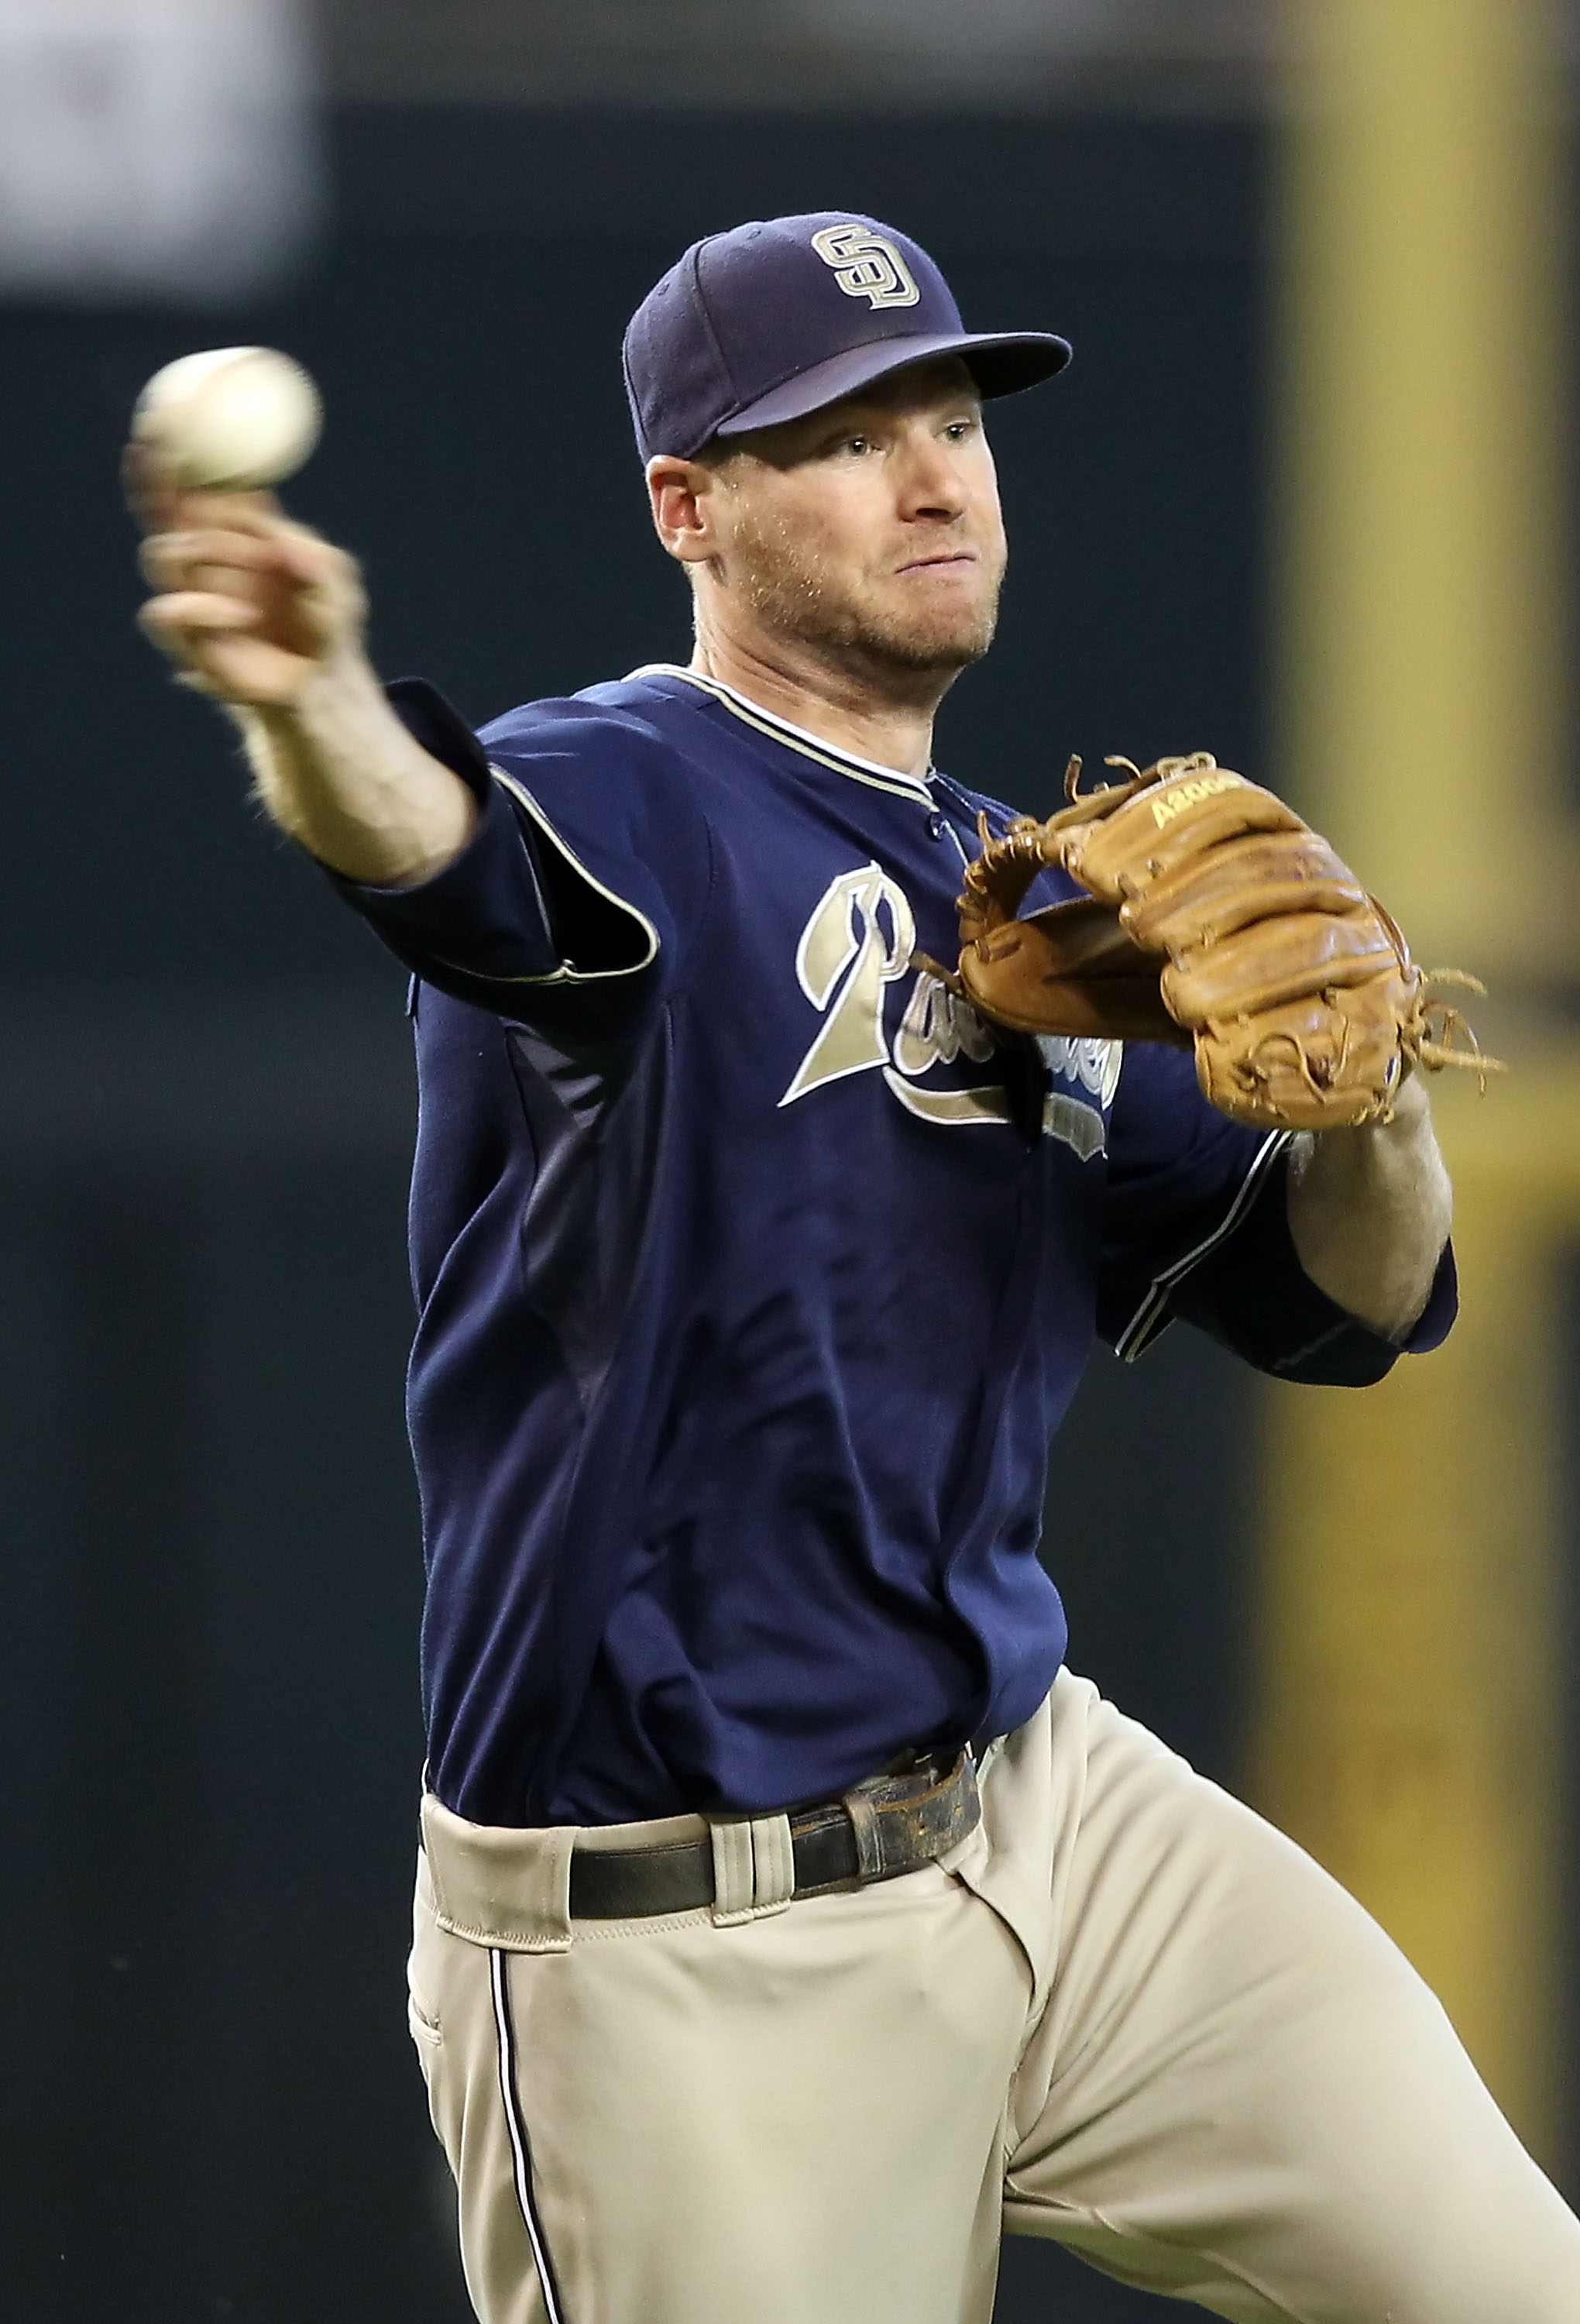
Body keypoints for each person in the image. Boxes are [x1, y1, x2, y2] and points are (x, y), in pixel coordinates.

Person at [133, 214, 1580, 2324]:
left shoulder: (1045, 902)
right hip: (687, 1941)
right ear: (690, 508)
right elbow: (434, 856)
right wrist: (315, 696)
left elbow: (1354, 1307)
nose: (936, 476)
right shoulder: (626, 783)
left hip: (1054, 1820)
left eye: (955, 419)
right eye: (846, 435)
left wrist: (1371, 1104)